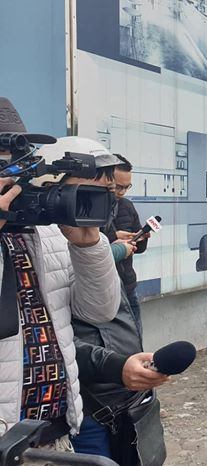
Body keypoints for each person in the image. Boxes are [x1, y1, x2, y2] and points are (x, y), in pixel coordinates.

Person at [32, 137, 169, 464]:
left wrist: (92, 244)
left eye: (111, 192)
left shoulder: (92, 227)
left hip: (118, 391)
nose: (102, 202)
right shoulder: (35, 237)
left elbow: (102, 310)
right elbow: (47, 340)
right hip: (83, 399)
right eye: (87, 192)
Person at [0, 97, 121, 455]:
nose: (10, 177)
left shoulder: (50, 230)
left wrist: (89, 247)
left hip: (54, 435)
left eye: (16, 165)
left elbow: (99, 311)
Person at [108, 154, 149, 327]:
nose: (122, 192)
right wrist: (115, 237)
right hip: (104, 286)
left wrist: (141, 237)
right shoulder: (88, 208)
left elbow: (139, 249)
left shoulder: (126, 206)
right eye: (118, 187)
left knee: (135, 336)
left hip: (128, 284)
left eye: (127, 187)